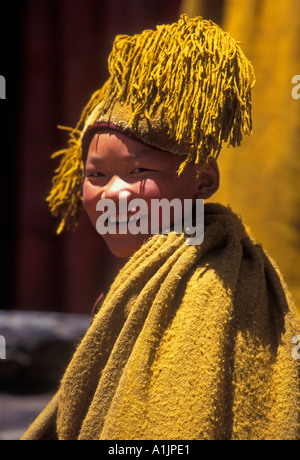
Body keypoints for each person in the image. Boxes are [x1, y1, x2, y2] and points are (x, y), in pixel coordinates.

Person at [21, 14, 300, 440]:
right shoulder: (153, 271)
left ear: (204, 180)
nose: (113, 193)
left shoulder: (210, 288)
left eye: (138, 171)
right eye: (96, 176)